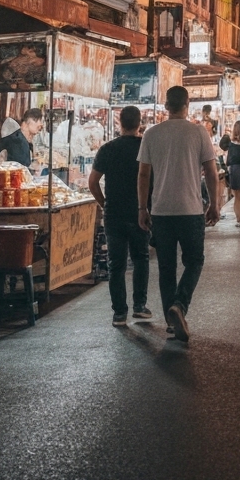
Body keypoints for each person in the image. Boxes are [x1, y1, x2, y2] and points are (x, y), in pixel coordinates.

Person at [137, 86, 219, 344]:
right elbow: (211, 172)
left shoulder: (151, 133)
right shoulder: (198, 132)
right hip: (191, 210)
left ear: (165, 106)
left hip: (161, 211)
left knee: (166, 268)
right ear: (187, 104)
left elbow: (143, 175)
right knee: (194, 261)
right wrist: (214, 204)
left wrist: (142, 207)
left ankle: (172, 323)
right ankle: (180, 307)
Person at [89, 106, 151, 327]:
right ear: (139, 123)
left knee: (116, 264)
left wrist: (104, 204)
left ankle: (119, 313)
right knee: (140, 258)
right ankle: (140, 306)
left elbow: (93, 182)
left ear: (119, 123)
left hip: (113, 213)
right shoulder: (145, 147)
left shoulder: (108, 149)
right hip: (139, 212)